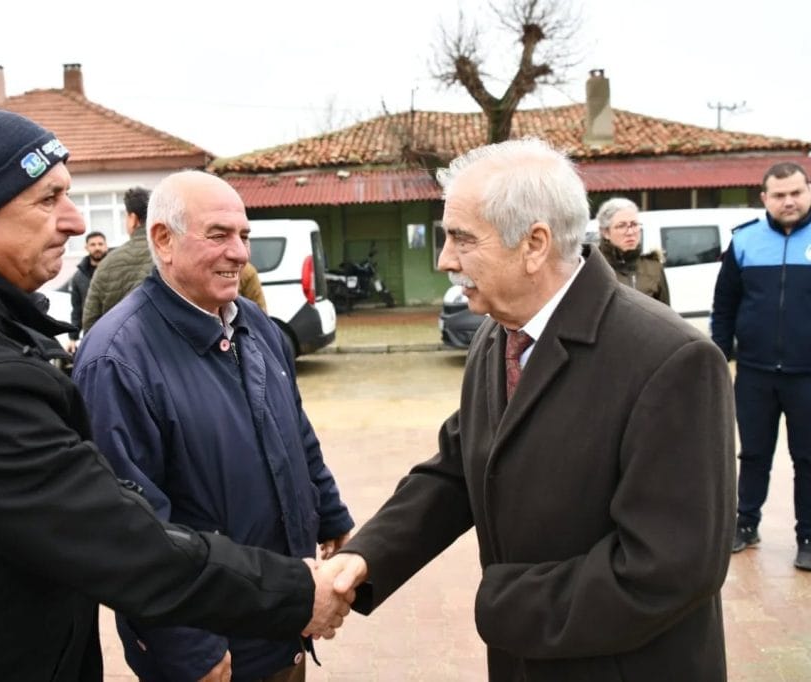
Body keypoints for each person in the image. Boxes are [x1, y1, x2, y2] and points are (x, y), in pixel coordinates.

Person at [0, 107, 353, 682]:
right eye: (47, 198)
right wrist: (291, 592)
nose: (77, 222)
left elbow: (293, 435)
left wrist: (324, 513)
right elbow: (119, 538)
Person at [321, 138, 736, 681]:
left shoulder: (672, 359)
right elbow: (458, 468)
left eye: (462, 239)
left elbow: (670, 567)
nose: (445, 260)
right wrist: (367, 556)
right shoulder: (497, 335)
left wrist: (504, 603)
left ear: (534, 244)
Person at [73, 170, 354, 682]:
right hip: (214, 649)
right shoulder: (117, 359)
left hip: (283, 622)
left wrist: (331, 515)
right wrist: (186, 648)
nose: (240, 253)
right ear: (163, 240)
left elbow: (296, 430)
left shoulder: (254, 323)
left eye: (244, 236)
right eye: (219, 235)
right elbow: (128, 530)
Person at [711, 162, 811, 571]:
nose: (789, 201)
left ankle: (807, 536)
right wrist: (718, 357)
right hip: (753, 372)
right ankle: (745, 523)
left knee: (807, 457)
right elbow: (724, 307)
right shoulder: (745, 242)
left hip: (807, 375)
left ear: (808, 191)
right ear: (764, 198)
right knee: (752, 454)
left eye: (796, 192)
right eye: (779, 194)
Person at [81, 186, 152, 333]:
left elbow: (90, 322)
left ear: (132, 219)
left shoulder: (107, 264)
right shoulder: (176, 257)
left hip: (121, 351)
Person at [594, 197, 670, 304]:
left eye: (634, 224)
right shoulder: (593, 267)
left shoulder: (653, 268)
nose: (630, 232)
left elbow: (666, 315)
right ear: (605, 232)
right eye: (621, 226)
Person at [67, 230, 108, 350]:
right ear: (86, 247)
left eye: (100, 244)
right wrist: (73, 338)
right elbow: (77, 309)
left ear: (106, 246)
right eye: (93, 245)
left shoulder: (116, 270)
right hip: (91, 332)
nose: (97, 248)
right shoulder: (78, 277)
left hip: (116, 329)